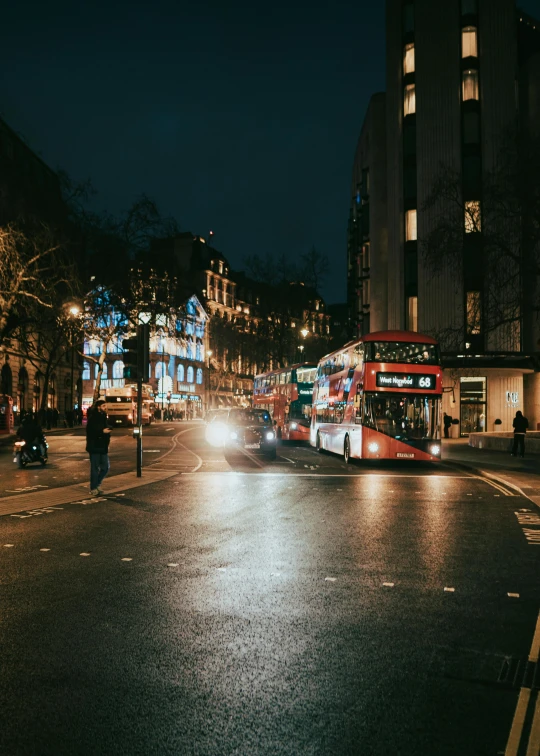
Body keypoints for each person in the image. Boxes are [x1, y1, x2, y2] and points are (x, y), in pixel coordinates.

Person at [86, 399, 111, 495]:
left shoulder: (104, 417)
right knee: (95, 468)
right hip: (94, 446)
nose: (106, 408)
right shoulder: (93, 418)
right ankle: (93, 488)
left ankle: (97, 484)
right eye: (104, 406)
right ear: (98, 407)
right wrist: (102, 432)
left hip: (103, 446)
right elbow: (90, 432)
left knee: (105, 467)